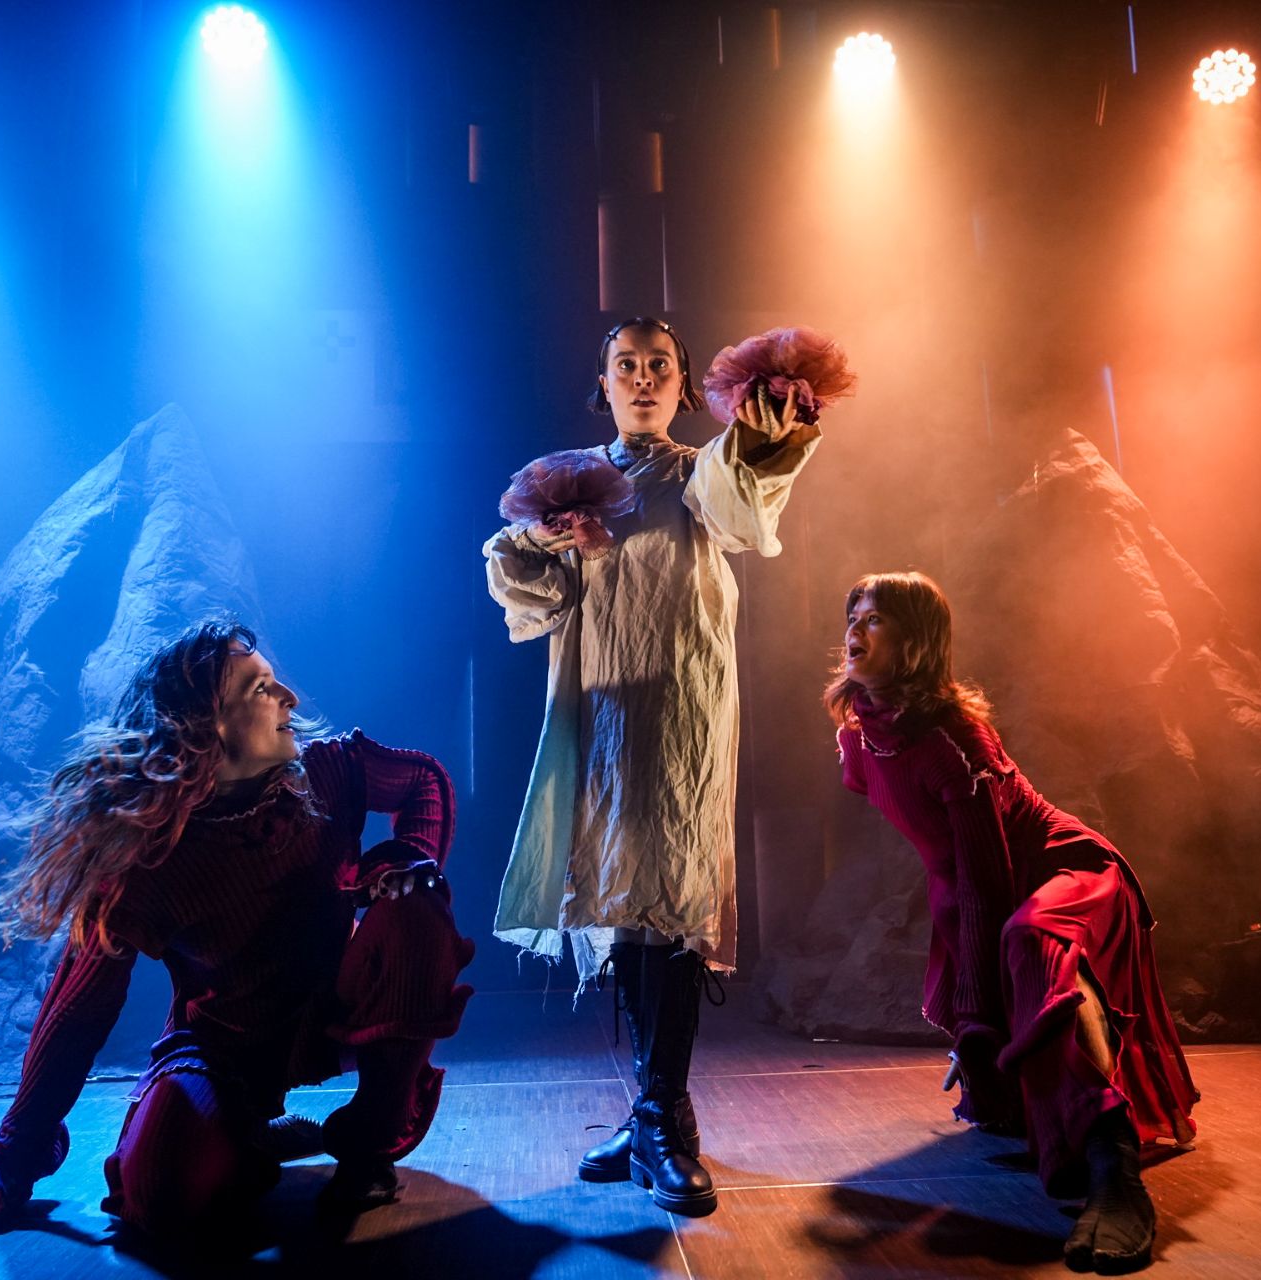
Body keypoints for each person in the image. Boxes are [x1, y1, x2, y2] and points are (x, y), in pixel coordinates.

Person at [0, 618, 473, 1240]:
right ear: (206, 726)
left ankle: (367, 1145)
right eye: (261, 688)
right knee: (159, 1194)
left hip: (342, 1008)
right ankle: (245, 1143)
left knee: (418, 901)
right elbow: (77, 1010)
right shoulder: (146, 854)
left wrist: (404, 858)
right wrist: (11, 1159)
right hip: (224, 1048)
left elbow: (424, 781)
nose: (290, 698)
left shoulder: (328, 769)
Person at [484, 316, 822, 1215]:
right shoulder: (569, 483)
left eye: (659, 366)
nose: (642, 378)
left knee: (673, 908)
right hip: (601, 714)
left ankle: (664, 1119)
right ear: (603, 382)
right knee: (625, 907)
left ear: (682, 383)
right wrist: (543, 541)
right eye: (626, 365)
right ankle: (652, 1116)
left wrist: (766, 431)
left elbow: (741, 500)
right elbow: (527, 592)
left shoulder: (698, 472)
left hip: (681, 714)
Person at [827, 572, 1198, 1273]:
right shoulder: (860, 737)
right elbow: (949, 865)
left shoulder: (954, 739)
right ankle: (1074, 1113)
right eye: (854, 614)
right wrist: (976, 1023)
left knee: (1033, 941)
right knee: (1015, 1032)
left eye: (875, 619)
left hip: (1061, 867)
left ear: (915, 641)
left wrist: (979, 1013)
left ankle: (1115, 1170)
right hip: (981, 884)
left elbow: (989, 874)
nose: (855, 628)